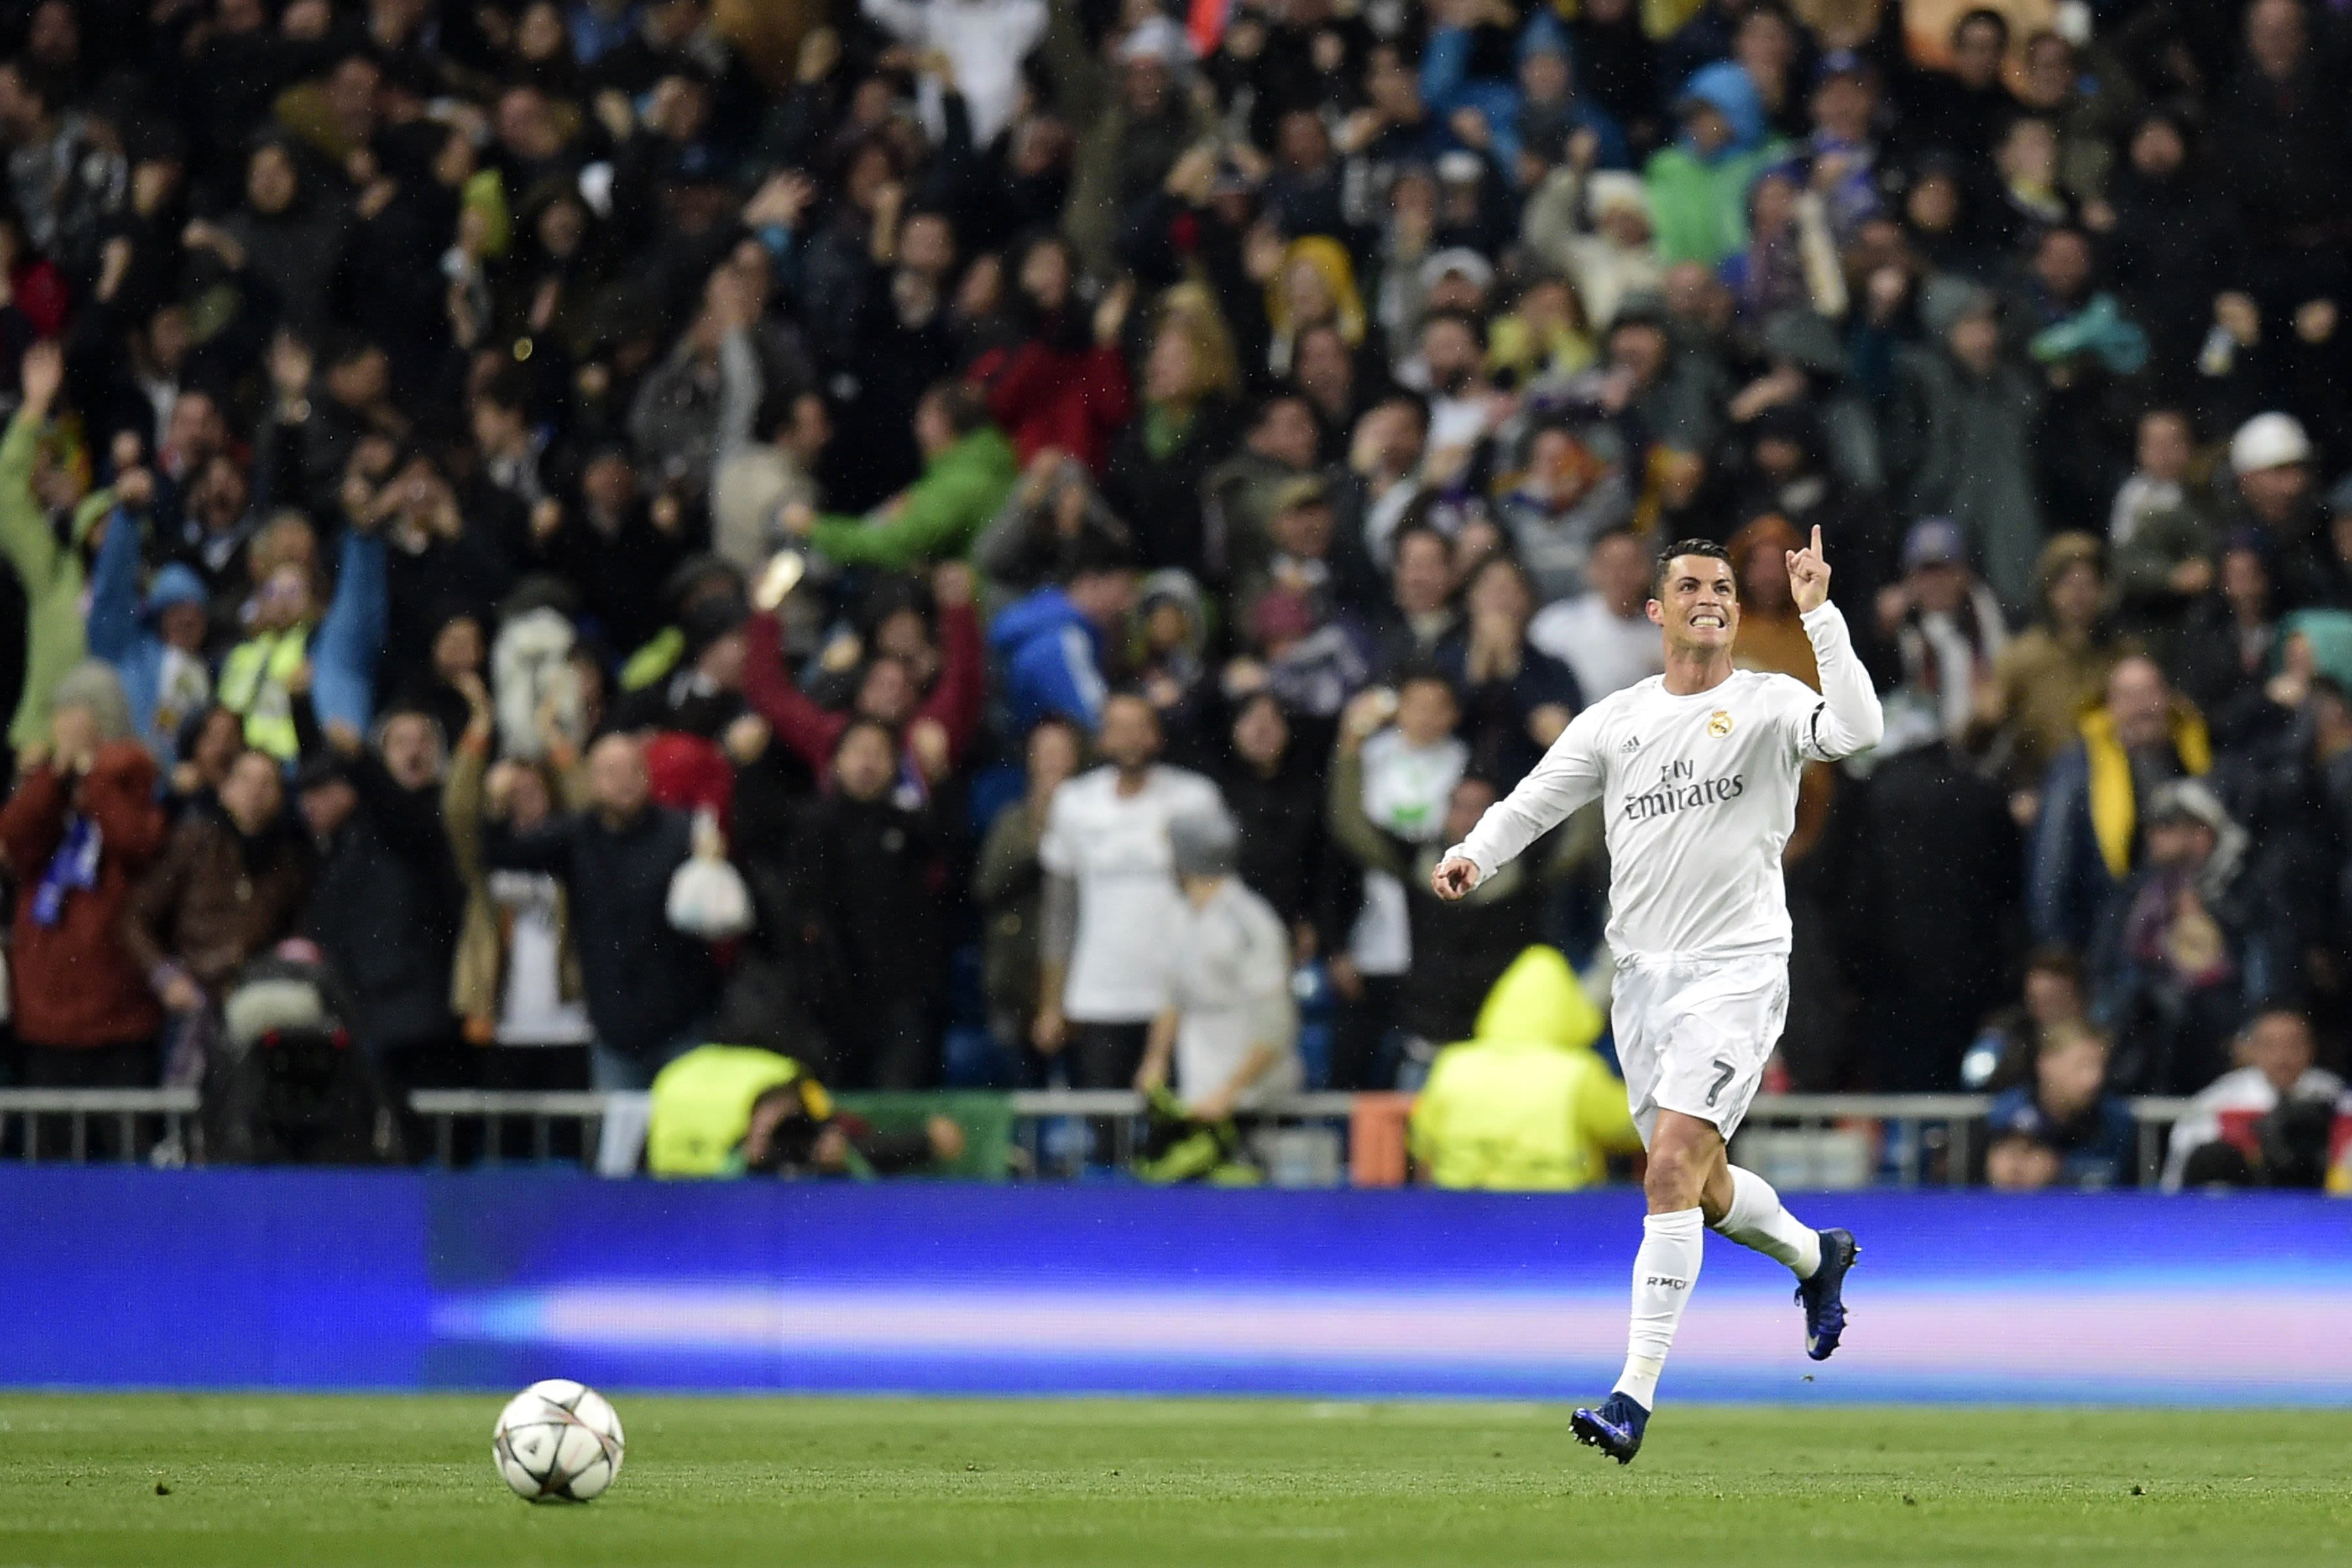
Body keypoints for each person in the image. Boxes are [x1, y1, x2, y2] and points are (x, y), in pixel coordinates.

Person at [1432, 529, 1882, 1463]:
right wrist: (1474, 850)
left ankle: (1631, 1397)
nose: (1711, 597)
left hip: (1738, 969)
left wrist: (1820, 615)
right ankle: (1814, 1255)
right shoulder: (1617, 720)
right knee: (1704, 1188)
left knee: (1669, 1167)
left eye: (1722, 585)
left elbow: (1859, 732)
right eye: (1691, 586)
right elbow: (1534, 800)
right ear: (1657, 610)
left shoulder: (1768, 703)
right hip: (1643, 984)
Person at [482, 731, 720, 1090]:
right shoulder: (578, 835)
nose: (624, 781)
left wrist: (713, 858)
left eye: (632, 770)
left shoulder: (683, 832)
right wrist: (498, 804)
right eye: (611, 771)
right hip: (615, 1032)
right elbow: (504, 855)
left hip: (683, 1023)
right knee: (616, 1142)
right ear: (591, 781)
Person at [1035, 693, 1225, 1090]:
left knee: (1175, 1134)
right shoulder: (1074, 802)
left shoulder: (1195, 798)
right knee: (1104, 1133)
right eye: (1118, 728)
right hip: (1099, 995)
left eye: (1140, 727)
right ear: (1102, 739)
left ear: (1157, 736)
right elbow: (1060, 910)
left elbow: (1218, 897)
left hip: (1179, 997)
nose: (1129, 739)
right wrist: (1052, 1002)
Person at [1409, 946, 1638, 1190]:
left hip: (1462, 1208)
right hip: (1556, 1210)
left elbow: (1422, 1142)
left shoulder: (1453, 1064)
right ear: (1567, 1006)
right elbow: (1628, 1129)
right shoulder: (1577, 1073)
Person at [1132, 808, 1302, 1121]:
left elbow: (1276, 1023)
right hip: (1199, 1091)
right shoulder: (1179, 916)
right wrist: (1155, 1060)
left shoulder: (1251, 922)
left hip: (1253, 1102)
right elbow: (1173, 995)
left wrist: (1228, 1092)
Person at [2163, 1010, 2345, 1191]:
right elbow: (2182, 1169)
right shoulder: (2221, 1099)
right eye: (2270, 1045)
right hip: (2242, 1210)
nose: (2282, 1056)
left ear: (2311, 1048)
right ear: (2252, 1049)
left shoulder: (2337, 1097)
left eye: (2293, 1044)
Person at [1983, 1022, 2136, 1190]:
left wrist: (2058, 1173)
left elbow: (2136, 1193)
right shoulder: (2006, 1115)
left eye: (2101, 1066)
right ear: (2047, 1064)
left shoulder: (2118, 1122)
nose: (2096, 1078)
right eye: (2083, 1065)